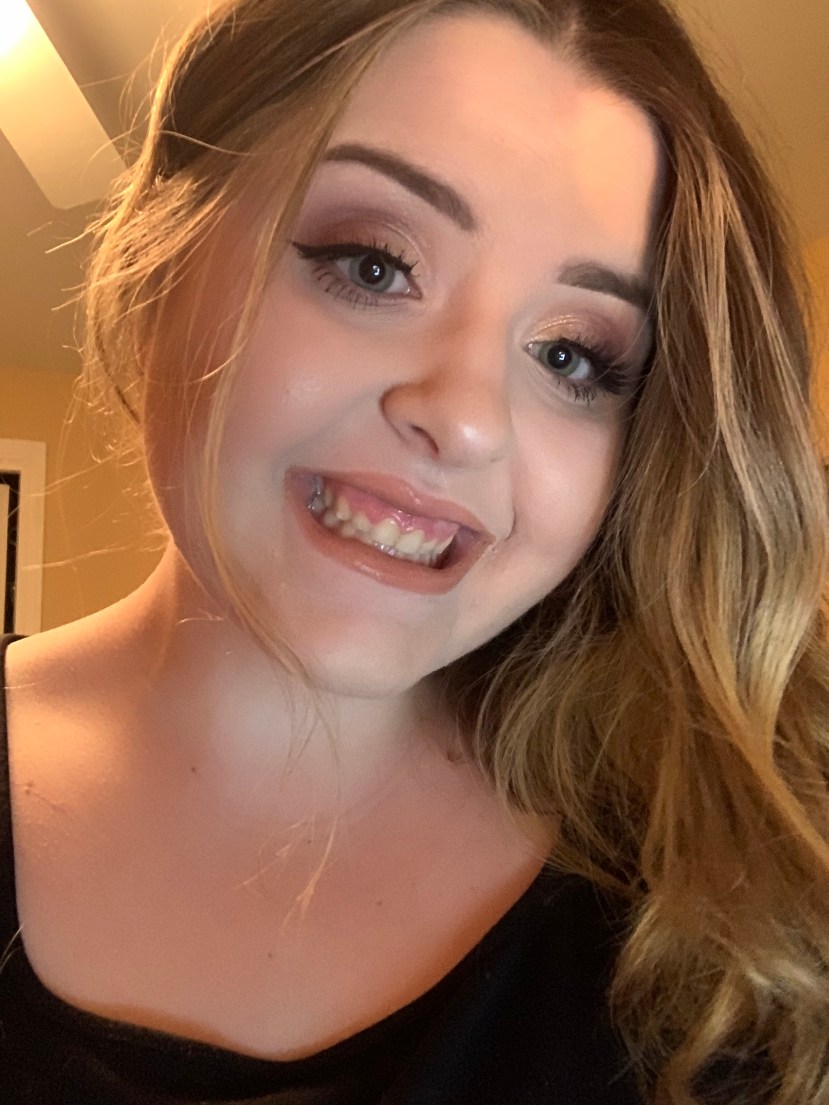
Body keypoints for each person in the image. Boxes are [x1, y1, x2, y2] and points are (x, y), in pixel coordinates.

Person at [1, 0, 827, 1101]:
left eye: (571, 356)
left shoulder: (735, 913)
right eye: (375, 265)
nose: (469, 419)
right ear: (158, 253)